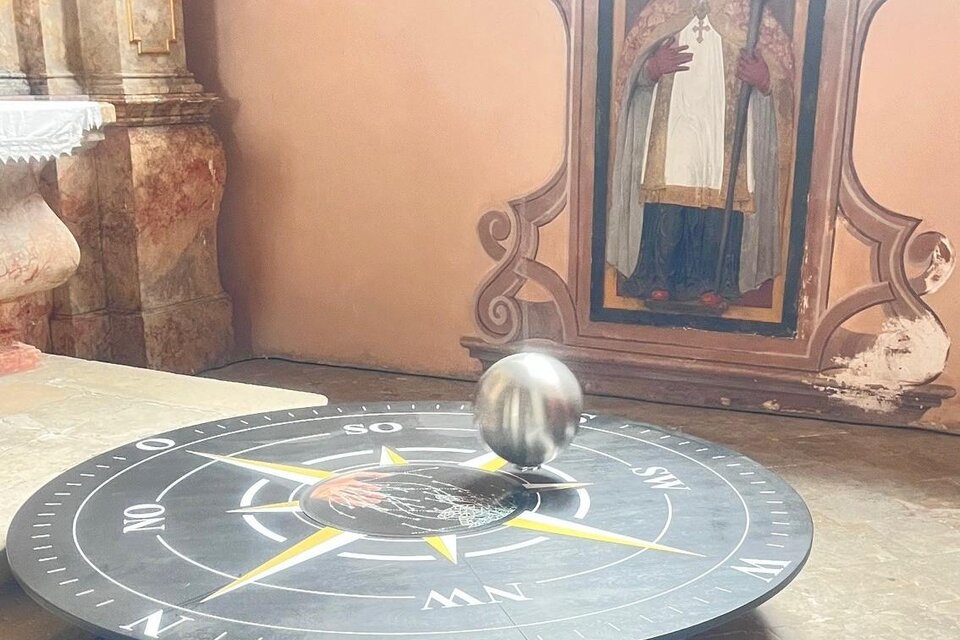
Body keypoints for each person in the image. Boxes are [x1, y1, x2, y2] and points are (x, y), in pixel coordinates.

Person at [605, 0, 794, 308]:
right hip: (673, 128)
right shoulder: (664, 10)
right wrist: (651, 68)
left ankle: (714, 281)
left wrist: (765, 78)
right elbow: (630, 70)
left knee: (718, 195)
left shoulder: (746, 12)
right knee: (669, 191)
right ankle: (660, 277)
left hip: (724, 131)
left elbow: (782, 68)